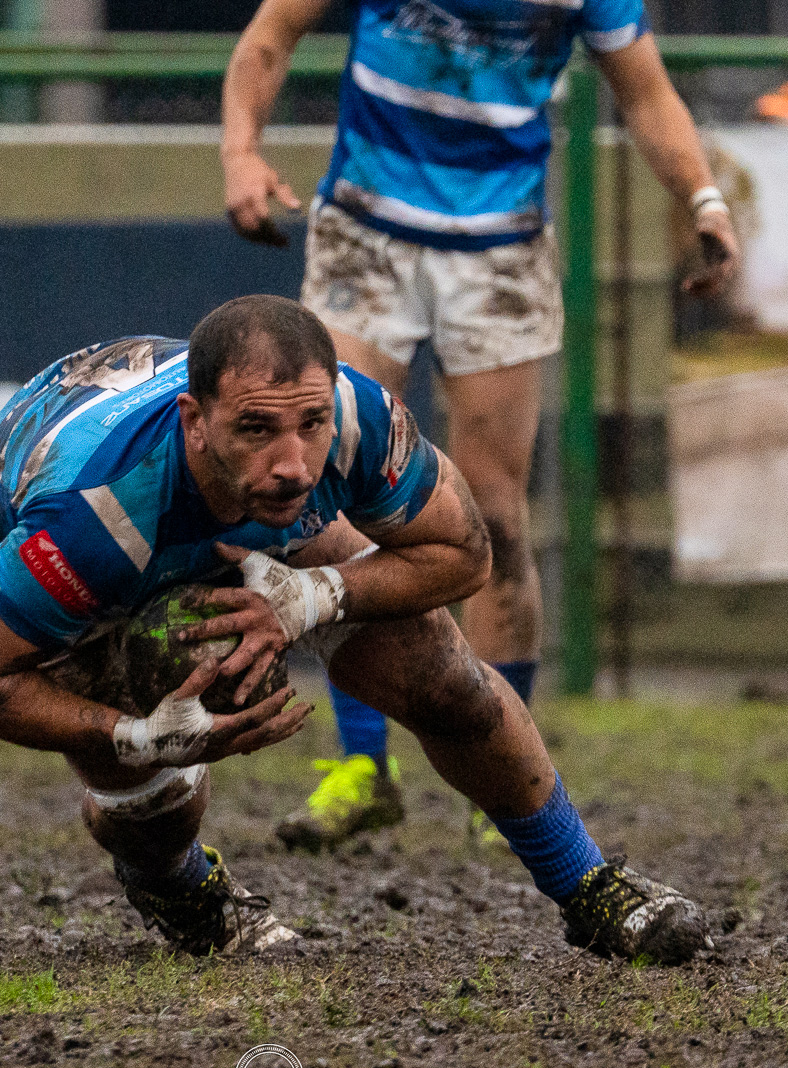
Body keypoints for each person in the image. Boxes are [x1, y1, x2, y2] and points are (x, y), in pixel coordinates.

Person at [0, 295, 712, 964]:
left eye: (309, 424)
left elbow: (466, 553)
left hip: (222, 510)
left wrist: (315, 595)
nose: (294, 462)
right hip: (29, 501)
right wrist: (129, 736)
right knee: (156, 785)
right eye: (257, 430)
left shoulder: (356, 418)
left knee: (444, 676)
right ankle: (174, 881)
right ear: (197, 422)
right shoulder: (95, 519)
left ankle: (588, 885)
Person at [220, 0, 741, 849]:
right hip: (367, 234)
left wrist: (705, 199)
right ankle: (361, 768)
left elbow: (646, 95)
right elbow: (272, 33)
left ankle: (503, 776)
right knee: (336, 502)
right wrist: (241, 151)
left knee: (491, 516)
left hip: (497, 251)